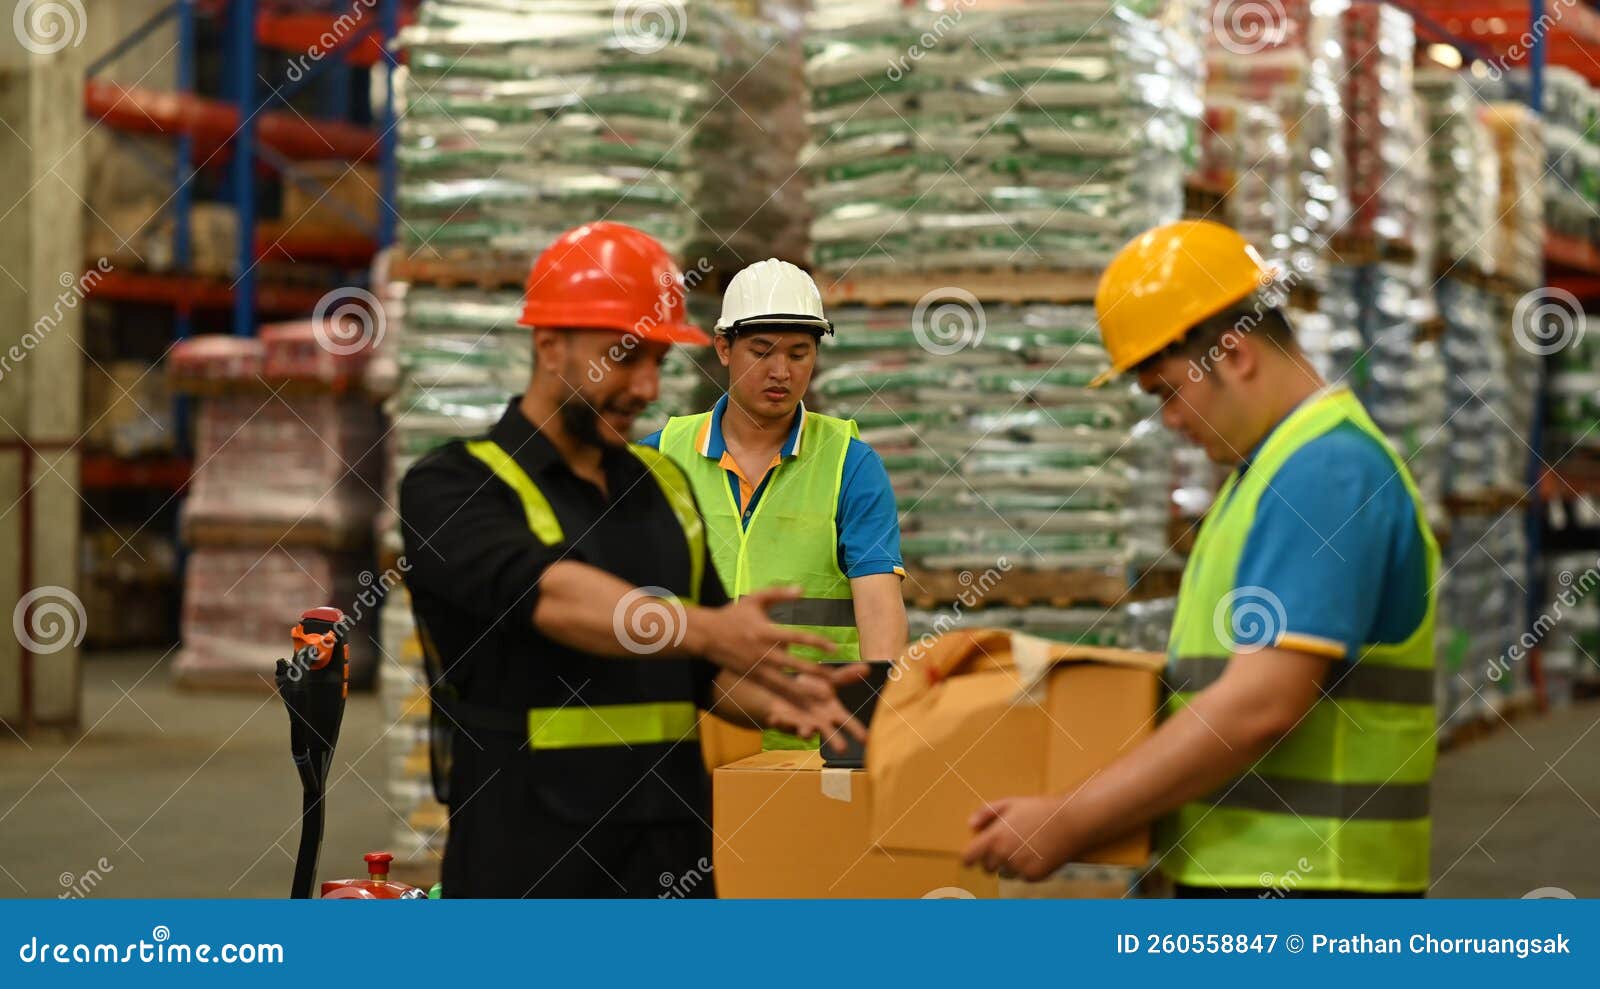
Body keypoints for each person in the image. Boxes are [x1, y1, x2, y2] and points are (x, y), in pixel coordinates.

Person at [963, 221, 1439, 897]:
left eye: (1167, 391)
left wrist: (1069, 821)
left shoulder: (1325, 472)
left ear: (1236, 353)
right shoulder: (1269, 472)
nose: (1169, 421)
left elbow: (1261, 705)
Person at [400, 222, 865, 898]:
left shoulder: (664, 487)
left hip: (667, 861)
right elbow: (551, 597)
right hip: (530, 867)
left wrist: (791, 704)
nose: (648, 387)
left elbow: (703, 677)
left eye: (659, 362)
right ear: (549, 345)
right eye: (625, 358)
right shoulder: (455, 484)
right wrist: (713, 629)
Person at [640, 258, 908, 750]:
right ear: (723, 348)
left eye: (800, 354)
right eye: (761, 352)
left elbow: (879, 610)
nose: (781, 372)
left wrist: (875, 733)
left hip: (811, 747)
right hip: (685, 747)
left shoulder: (850, 464)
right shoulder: (659, 456)